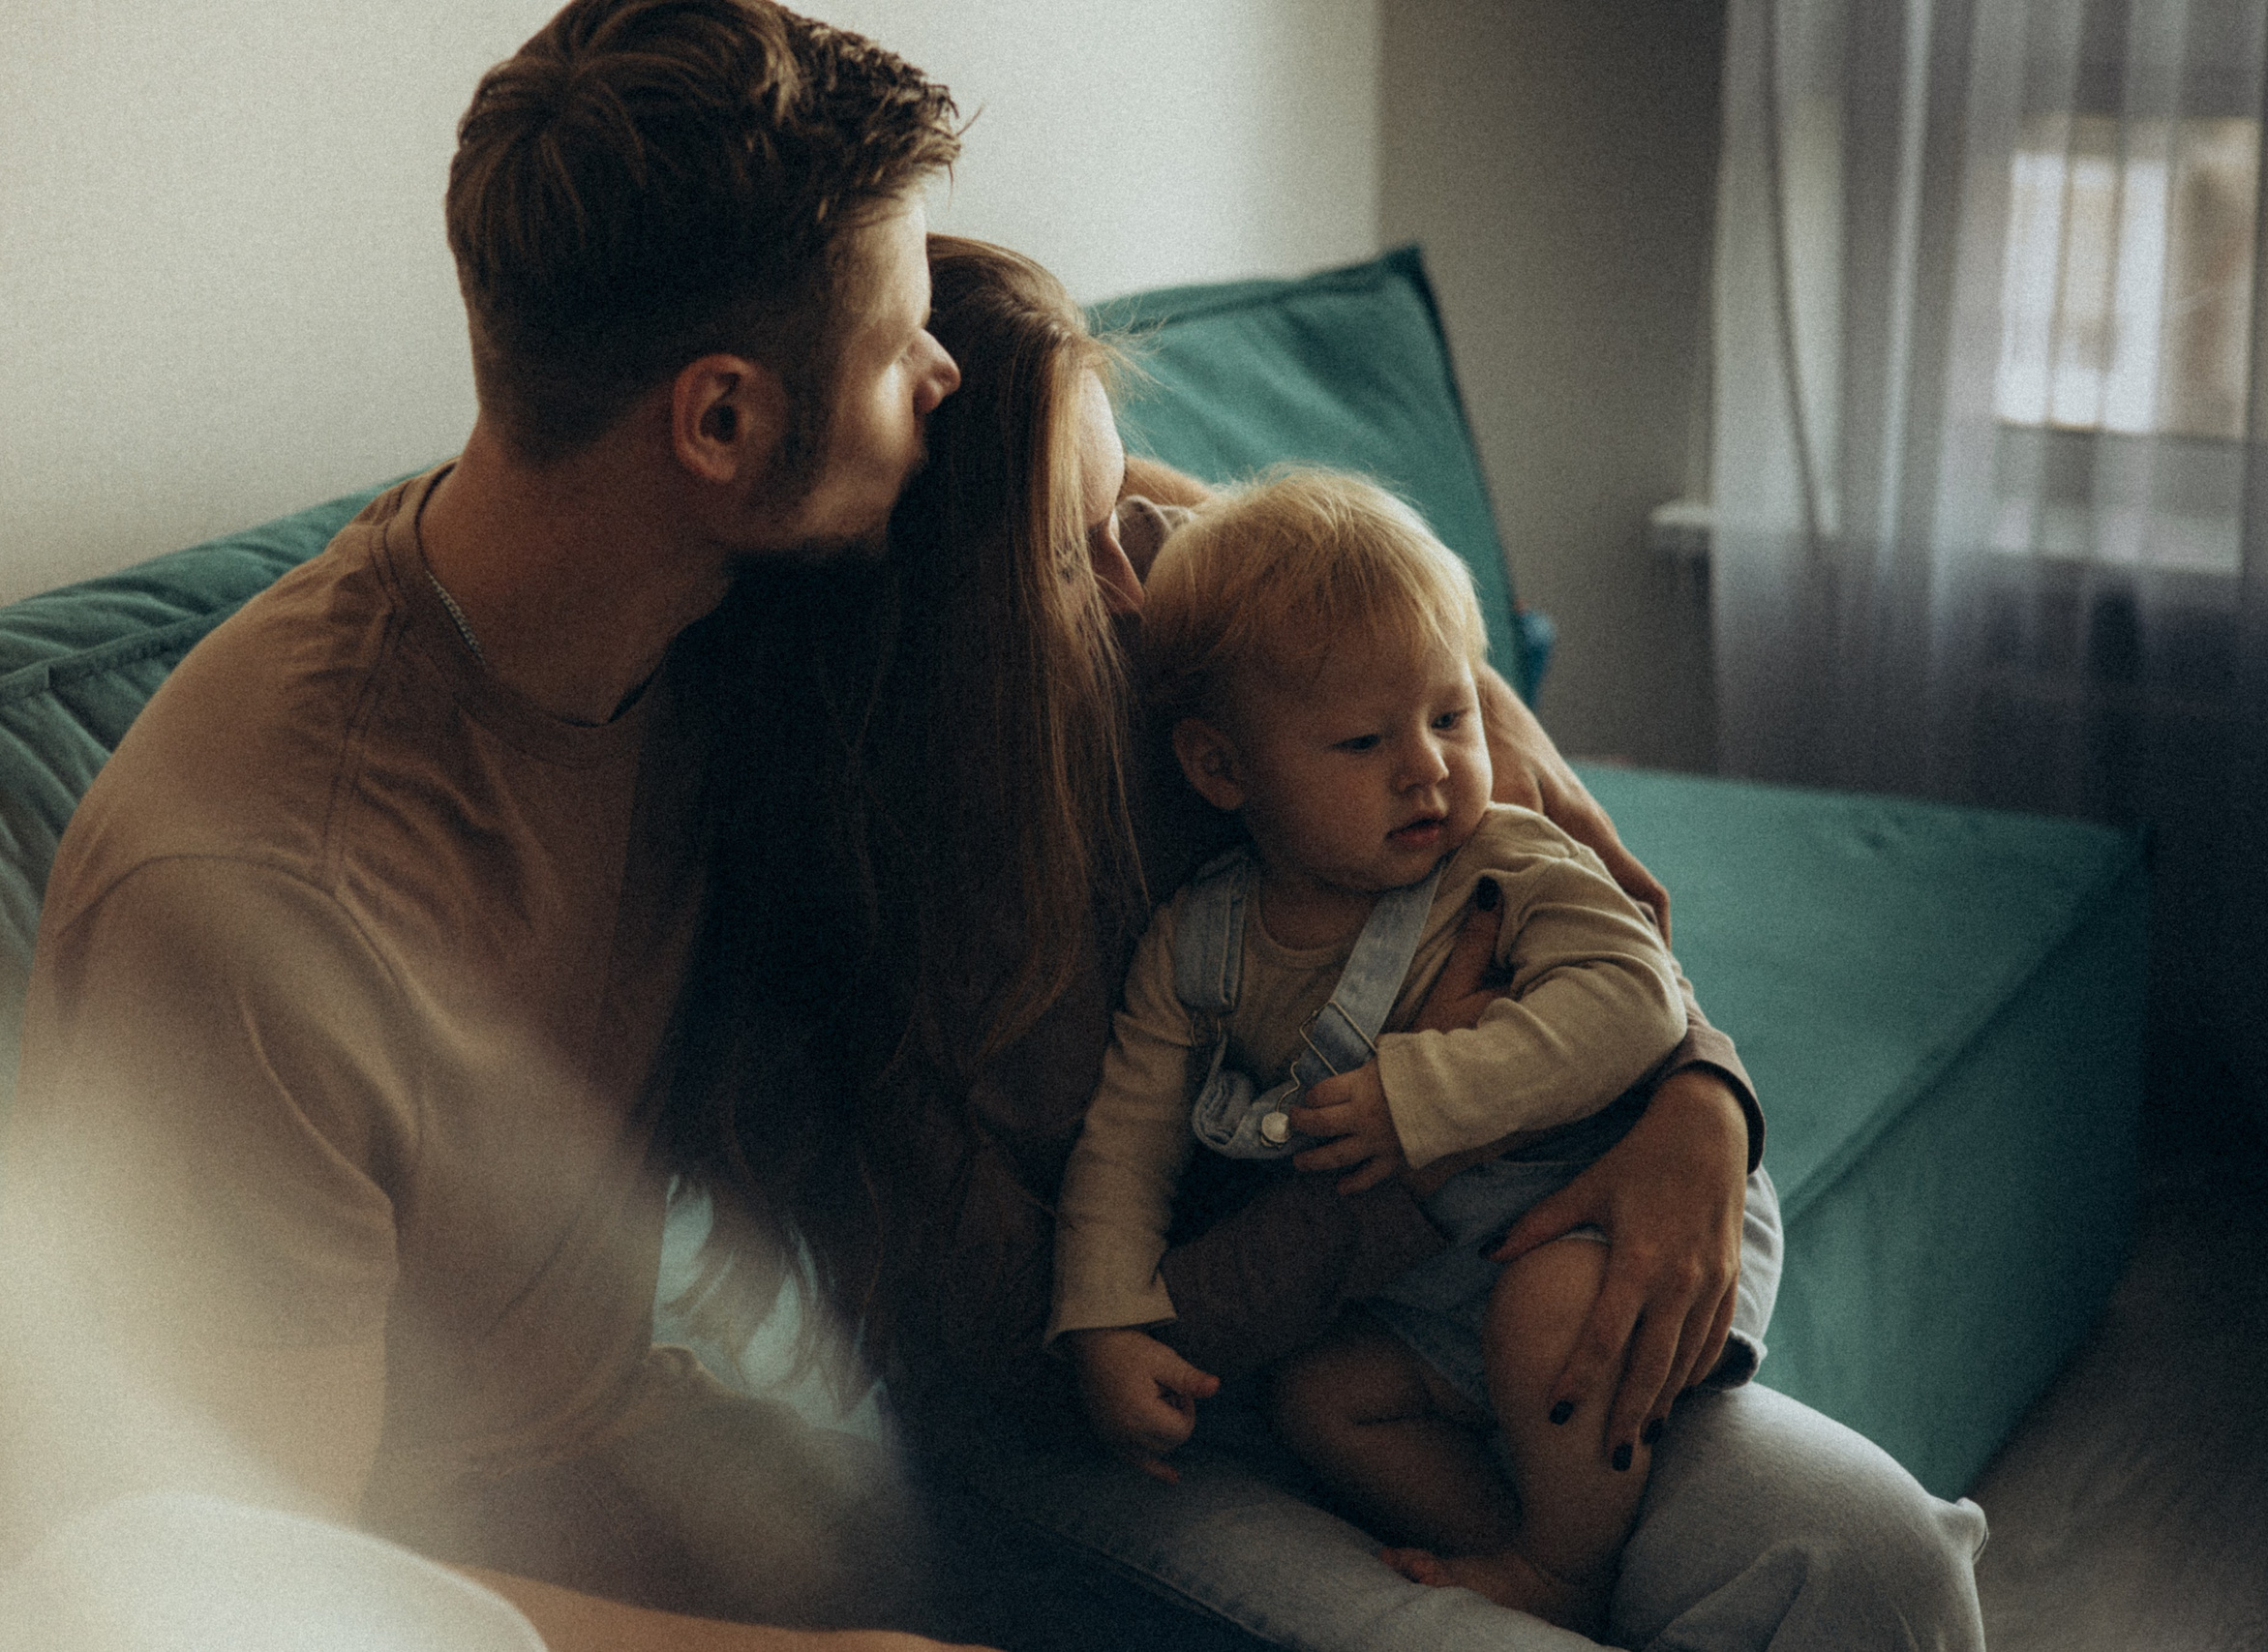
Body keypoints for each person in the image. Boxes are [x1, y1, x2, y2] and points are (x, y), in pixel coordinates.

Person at [671, 236, 1988, 1651]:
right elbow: (1050, 1362)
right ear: (950, 617)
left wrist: (1701, 1096)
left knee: (1875, 1558)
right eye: (1075, 547)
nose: (1137, 583)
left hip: (1453, 1296)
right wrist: (1403, 1174)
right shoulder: (867, 932)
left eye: (1128, 508)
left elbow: (1567, 885)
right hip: (1155, 1432)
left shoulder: (1193, 638)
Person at [5, 4, 988, 1649]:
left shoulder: (700, 602)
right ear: (724, 424)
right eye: (903, 349)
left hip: (649, 1459)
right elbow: (263, 1592)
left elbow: (1106, 477)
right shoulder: (264, 899)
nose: (940, 375)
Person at [1049, 468, 1771, 1637]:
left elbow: (1634, 998)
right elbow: (1125, 1140)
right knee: (1321, 1400)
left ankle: (1565, 1569)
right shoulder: (1200, 940)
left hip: (1596, 1200)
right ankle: (1515, 1536)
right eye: (1361, 740)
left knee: (1546, 1315)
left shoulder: (1504, 856)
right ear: (1221, 769)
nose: (1428, 766)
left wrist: (1424, 1091)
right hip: (1441, 1276)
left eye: (1450, 715)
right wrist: (1104, 1318)